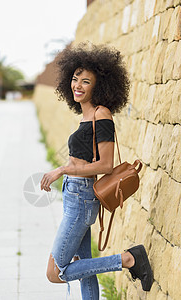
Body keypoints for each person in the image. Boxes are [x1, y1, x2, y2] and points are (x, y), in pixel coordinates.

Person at [40, 43, 153, 299]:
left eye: (86, 82)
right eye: (75, 79)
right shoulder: (86, 116)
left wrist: (63, 169)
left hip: (82, 197)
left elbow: (106, 165)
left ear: (99, 86)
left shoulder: (101, 115)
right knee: (84, 268)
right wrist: (68, 173)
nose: (77, 86)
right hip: (74, 195)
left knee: (56, 272)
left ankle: (127, 259)